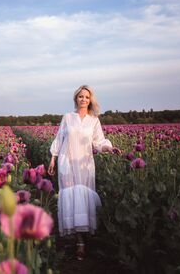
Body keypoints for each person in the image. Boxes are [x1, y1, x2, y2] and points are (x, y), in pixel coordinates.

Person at [48, 85, 120, 261]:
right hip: (67, 161)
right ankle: (79, 242)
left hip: (84, 164)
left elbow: (98, 142)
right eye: (80, 96)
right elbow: (59, 138)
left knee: (83, 197)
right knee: (71, 196)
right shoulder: (67, 118)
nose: (83, 99)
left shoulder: (94, 120)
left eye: (87, 97)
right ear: (76, 99)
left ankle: (85, 238)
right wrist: (53, 159)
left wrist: (109, 149)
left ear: (90, 100)